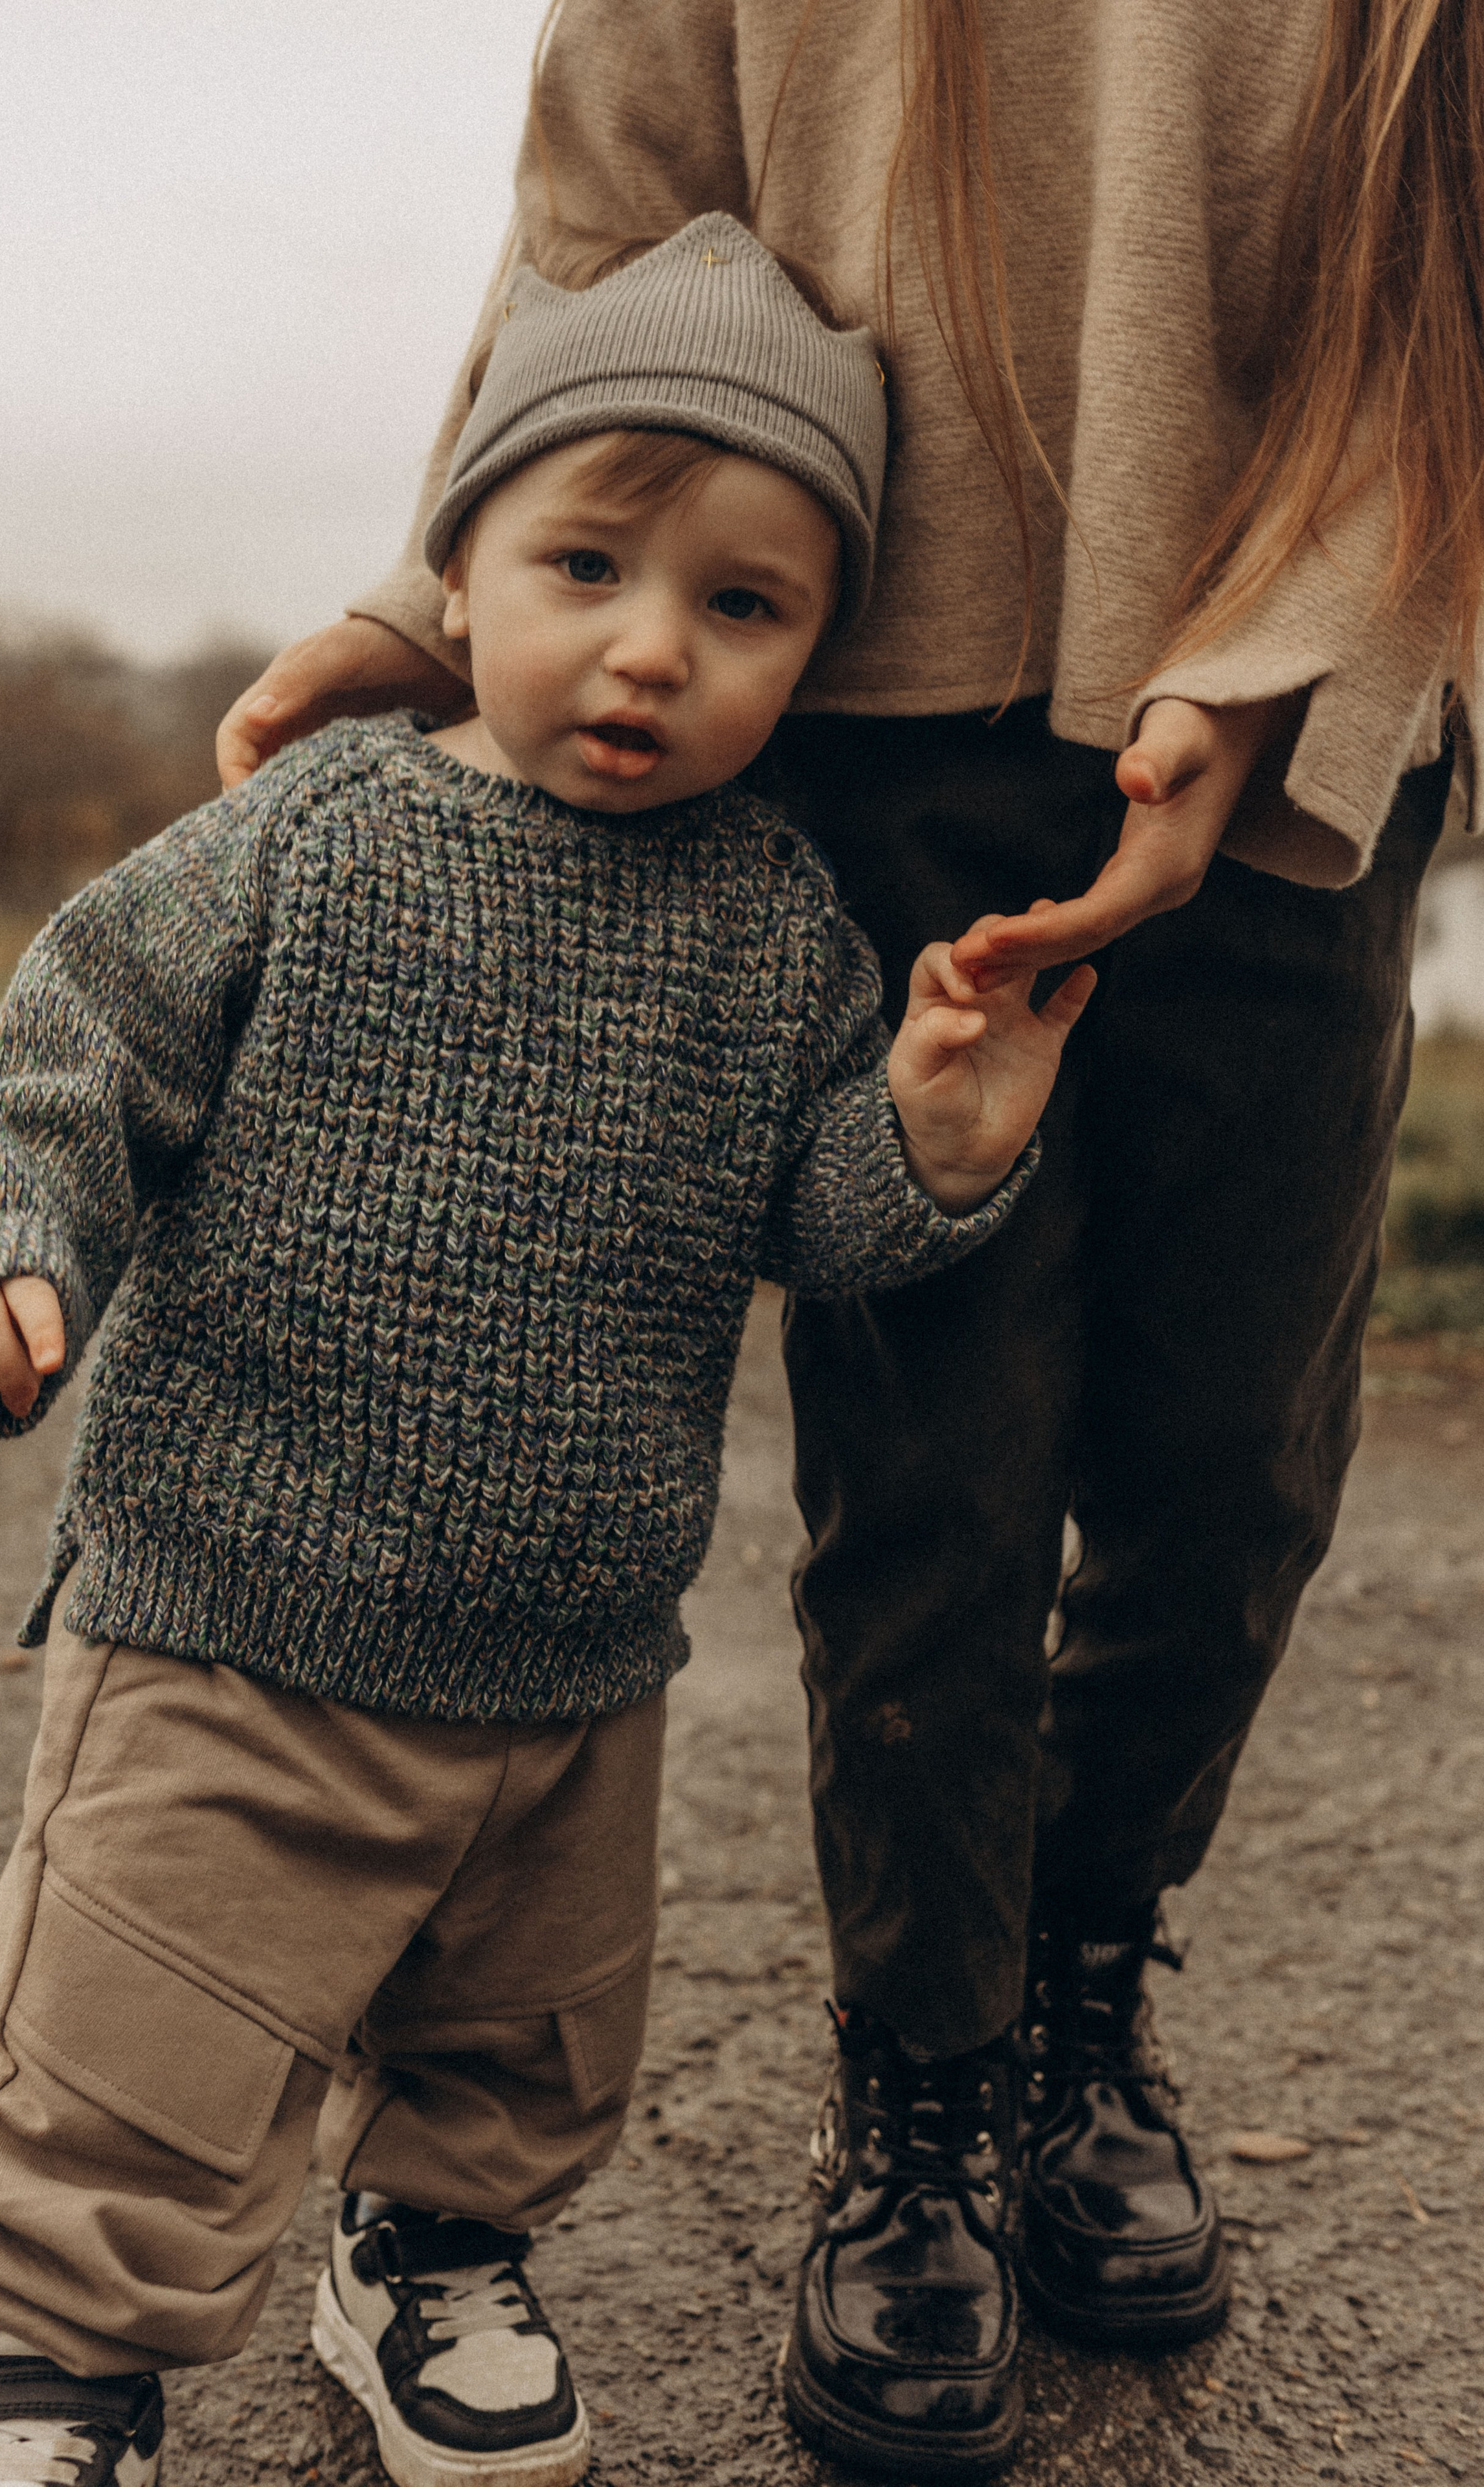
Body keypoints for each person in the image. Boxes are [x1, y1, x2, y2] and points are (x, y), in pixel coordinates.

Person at [214, 2, 1481, 2477]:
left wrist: (1254, 674)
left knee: (1237, 1468)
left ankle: (1083, 2011)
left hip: (1316, 696)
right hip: (877, 678)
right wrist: (440, 582)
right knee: (935, 1482)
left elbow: (1451, 289)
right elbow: (617, 221)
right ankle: (923, 2095)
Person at [0, 219, 1093, 2487]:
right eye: (587, 564)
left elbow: (808, 1226)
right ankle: (60, 2361)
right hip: (233, 1614)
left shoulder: (774, 930)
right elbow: (81, 1050)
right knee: (135, 2015)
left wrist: (928, 1135)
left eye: (742, 607)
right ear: (463, 566)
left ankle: (428, 2253)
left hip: (568, 1655)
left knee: (524, 2030)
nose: (649, 651)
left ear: (813, 653)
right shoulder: (315, 833)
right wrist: (3, 1246)